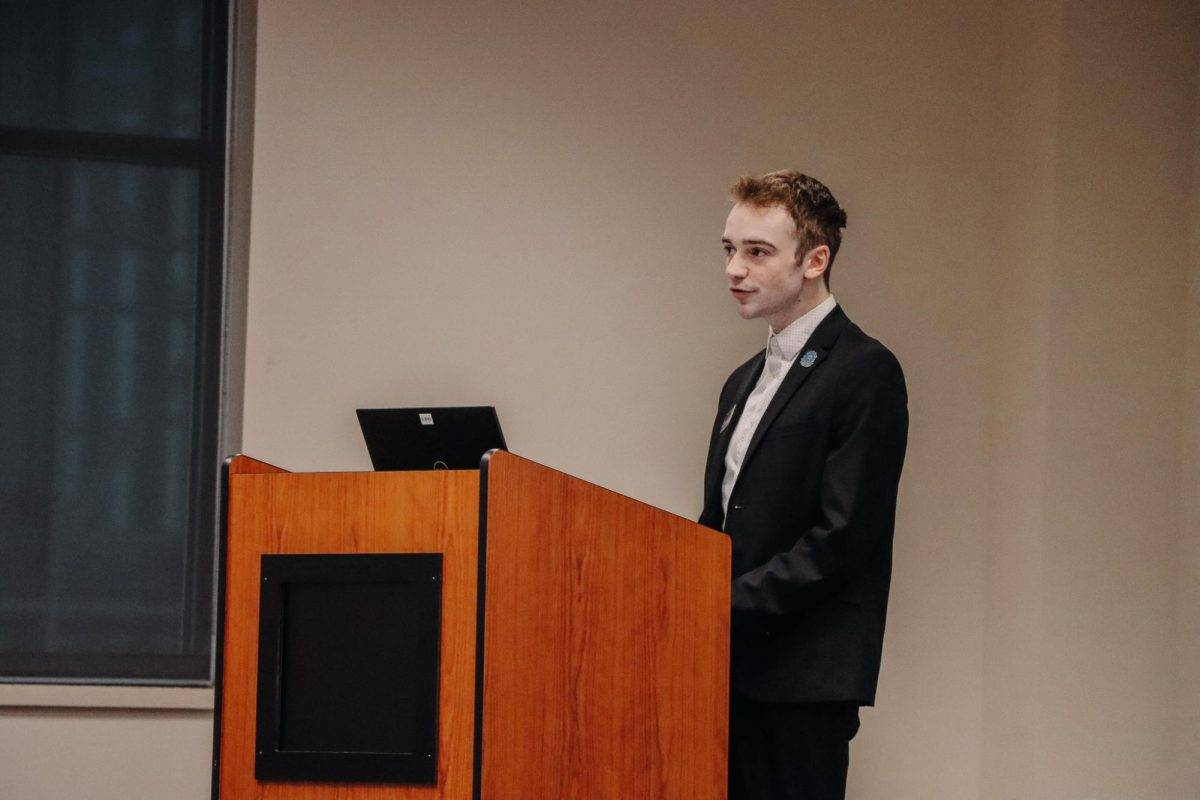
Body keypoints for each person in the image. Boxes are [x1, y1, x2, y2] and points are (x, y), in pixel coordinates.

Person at [700, 171, 909, 800]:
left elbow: (844, 536)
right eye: (729, 249)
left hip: (802, 678)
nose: (735, 268)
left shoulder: (865, 370)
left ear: (815, 259)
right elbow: (721, 522)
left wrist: (720, 606)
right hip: (726, 670)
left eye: (758, 252)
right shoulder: (742, 381)